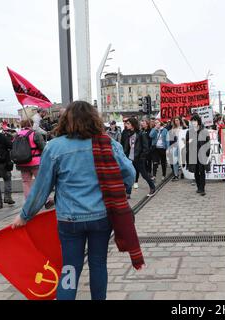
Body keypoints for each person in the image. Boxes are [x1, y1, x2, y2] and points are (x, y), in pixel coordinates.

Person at [12, 101, 138, 300]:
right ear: (94, 119)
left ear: (66, 120)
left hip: (69, 220)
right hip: (101, 217)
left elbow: (42, 187)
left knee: (69, 267)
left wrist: (24, 215)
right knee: (98, 264)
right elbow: (129, 174)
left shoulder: (55, 147)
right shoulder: (108, 143)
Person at [15, 120, 54, 208]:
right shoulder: (35, 133)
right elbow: (43, 147)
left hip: (22, 163)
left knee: (26, 182)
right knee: (41, 181)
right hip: (35, 162)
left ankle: (29, 204)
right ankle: (46, 200)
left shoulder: (17, 135)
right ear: (31, 124)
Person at [186, 114, 211, 196]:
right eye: (192, 121)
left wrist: (206, 153)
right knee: (196, 171)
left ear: (198, 121)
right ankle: (198, 187)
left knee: (202, 171)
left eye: (195, 121)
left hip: (202, 155)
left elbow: (208, 143)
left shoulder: (204, 131)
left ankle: (202, 188)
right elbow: (186, 144)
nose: (193, 123)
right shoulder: (189, 132)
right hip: (193, 155)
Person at [0, 123, 14, 209]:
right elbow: (10, 145)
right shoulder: (1, 136)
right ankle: (7, 197)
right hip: (3, 162)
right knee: (7, 179)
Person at [121, 118, 141, 194]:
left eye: (128, 123)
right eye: (126, 123)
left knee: (143, 174)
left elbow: (142, 146)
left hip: (137, 157)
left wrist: (141, 156)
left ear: (133, 124)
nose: (126, 125)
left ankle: (151, 185)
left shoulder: (139, 133)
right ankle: (128, 192)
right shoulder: (125, 132)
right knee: (128, 173)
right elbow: (123, 143)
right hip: (128, 156)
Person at [169, 117, 184, 181]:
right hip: (175, 146)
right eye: (175, 120)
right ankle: (176, 174)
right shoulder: (173, 129)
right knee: (175, 161)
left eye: (177, 120)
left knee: (182, 160)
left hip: (182, 145)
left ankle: (183, 173)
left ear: (180, 121)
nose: (176, 122)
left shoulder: (183, 128)